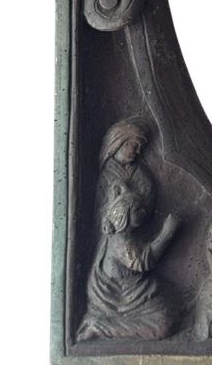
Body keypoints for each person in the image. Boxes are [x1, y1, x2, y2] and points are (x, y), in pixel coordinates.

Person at [77, 119, 180, 340]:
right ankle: (101, 326)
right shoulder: (106, 176)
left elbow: (146, 205)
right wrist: (166, 232)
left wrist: (136, 208)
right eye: (134, 145)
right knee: (164, 319)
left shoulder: (141, 175)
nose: (138, 151)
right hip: (120, 261)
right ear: (119, 143)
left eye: (141, 147)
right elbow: (102, 213)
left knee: (170, 303)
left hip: (133, 246)